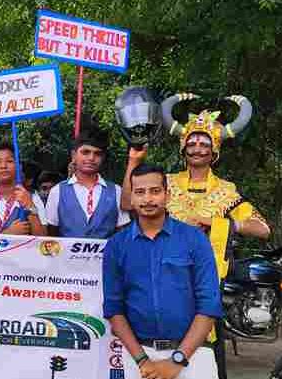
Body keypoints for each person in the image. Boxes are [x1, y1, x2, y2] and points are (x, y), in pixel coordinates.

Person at [120, 94, 270, 379]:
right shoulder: (166, 183)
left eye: (204, 144)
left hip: (204, 284)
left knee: (204, 355)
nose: (197, 148)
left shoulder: (226, 191)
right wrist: (133, 161)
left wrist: (219, 223)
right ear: (183, 148)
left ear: (214, 151)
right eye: (192, 143)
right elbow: (128, 203)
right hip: (160, 277)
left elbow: (262, 228)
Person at [103, 164, 223, 379]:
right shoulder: (117, 245)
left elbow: (209, 304)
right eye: (140, 192)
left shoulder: (194, 239)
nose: (148, 199)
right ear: (132, 198)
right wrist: (143, 360)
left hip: (193, 353)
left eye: (155, 191)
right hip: (138, 355)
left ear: (167, 195)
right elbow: (114, 309)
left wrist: (177, 360)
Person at [47, 136, 129, 238]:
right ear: (74, 155)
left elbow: (122, 232)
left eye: (97, 154)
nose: (91, 158)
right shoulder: (57, 191)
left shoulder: (116, 191)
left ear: (103, 158)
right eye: (85, 152)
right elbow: (51, 233)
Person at [0, 142, 47, 235]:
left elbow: (43, 240)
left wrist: (30, 207)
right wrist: (6, 234)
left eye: (9, 161)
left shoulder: (33, 198)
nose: (3, 166)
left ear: (19, 167)